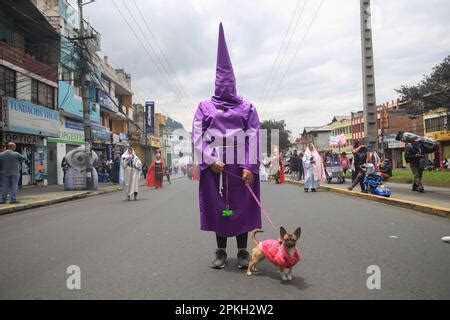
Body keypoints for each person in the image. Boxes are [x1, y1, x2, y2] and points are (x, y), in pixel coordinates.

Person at [192, 23, 261, 270]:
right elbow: (197, 135)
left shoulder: (247, 107)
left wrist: (249, 166)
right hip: (215, 165)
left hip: (240, 160)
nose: (225, 88)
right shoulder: (204, 107)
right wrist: (210, 159)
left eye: (228, 84)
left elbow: (253, 135)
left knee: (241, 205)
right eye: (221, 84)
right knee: (219, 207)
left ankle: (243, 251)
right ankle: (221, 251)